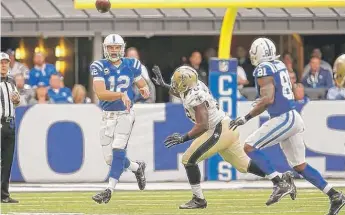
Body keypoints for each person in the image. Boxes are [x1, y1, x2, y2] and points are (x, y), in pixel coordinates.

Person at [151, 65, 294, 209]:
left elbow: (203, 125)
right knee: (244, 165)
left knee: (188, 160)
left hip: (218, 130)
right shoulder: (193, 87)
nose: (175, 85)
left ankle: (198, 199)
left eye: (176, 82)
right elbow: (181, 93)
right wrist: (164, 85)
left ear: (185, 83)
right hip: (226, 127)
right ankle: (281, 179)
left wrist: (183, 138)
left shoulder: (195, 96)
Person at [230, 38, 345, 214]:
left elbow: (268, 99)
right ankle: (335, 195)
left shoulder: (263, 68)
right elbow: (286, 89)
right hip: (292, 116)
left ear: (257, 53)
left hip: (283, 117)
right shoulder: (279, 64)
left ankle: (279, 182)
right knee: (300, 166)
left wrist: (246, 117)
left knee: (249, 146)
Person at [90, 34, 149, 204]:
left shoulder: (131, 64)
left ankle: (109, 190)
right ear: (105, 48)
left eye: (116, 47)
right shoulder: (99, 66)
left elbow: (142, 86)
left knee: (117, 149)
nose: (114, 51)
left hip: (125, 114)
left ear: (122, 48)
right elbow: (100, 93)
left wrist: (144, 90)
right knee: (111, 159)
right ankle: (137, 168)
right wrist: (121, 94)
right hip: (107, 115)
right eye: (110, 47)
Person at [0, 52, 20, 203]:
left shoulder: (12, 81)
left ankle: (4, 195)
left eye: (6, 62)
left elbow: (16, 102)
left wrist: (17, 100)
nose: (4, 65)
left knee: (7, 161)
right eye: (1, 62)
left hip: (10, 123)